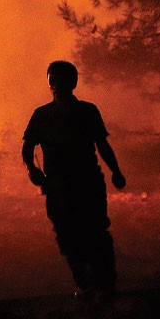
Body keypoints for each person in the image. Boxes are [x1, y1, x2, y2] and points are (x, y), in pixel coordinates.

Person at [23, 60, 126, 300]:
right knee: (67, 235)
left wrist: (116, 170)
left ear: (73, 82)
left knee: (96, 231)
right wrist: (32, 169)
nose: (55, 84)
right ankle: (87, 285)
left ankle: (105, 285)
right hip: (57, 185)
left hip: (87, 182)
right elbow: (28, 147)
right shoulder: (42, 115)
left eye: (59, 79)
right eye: (52, 79)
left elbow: (102, 144)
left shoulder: (87, 111)